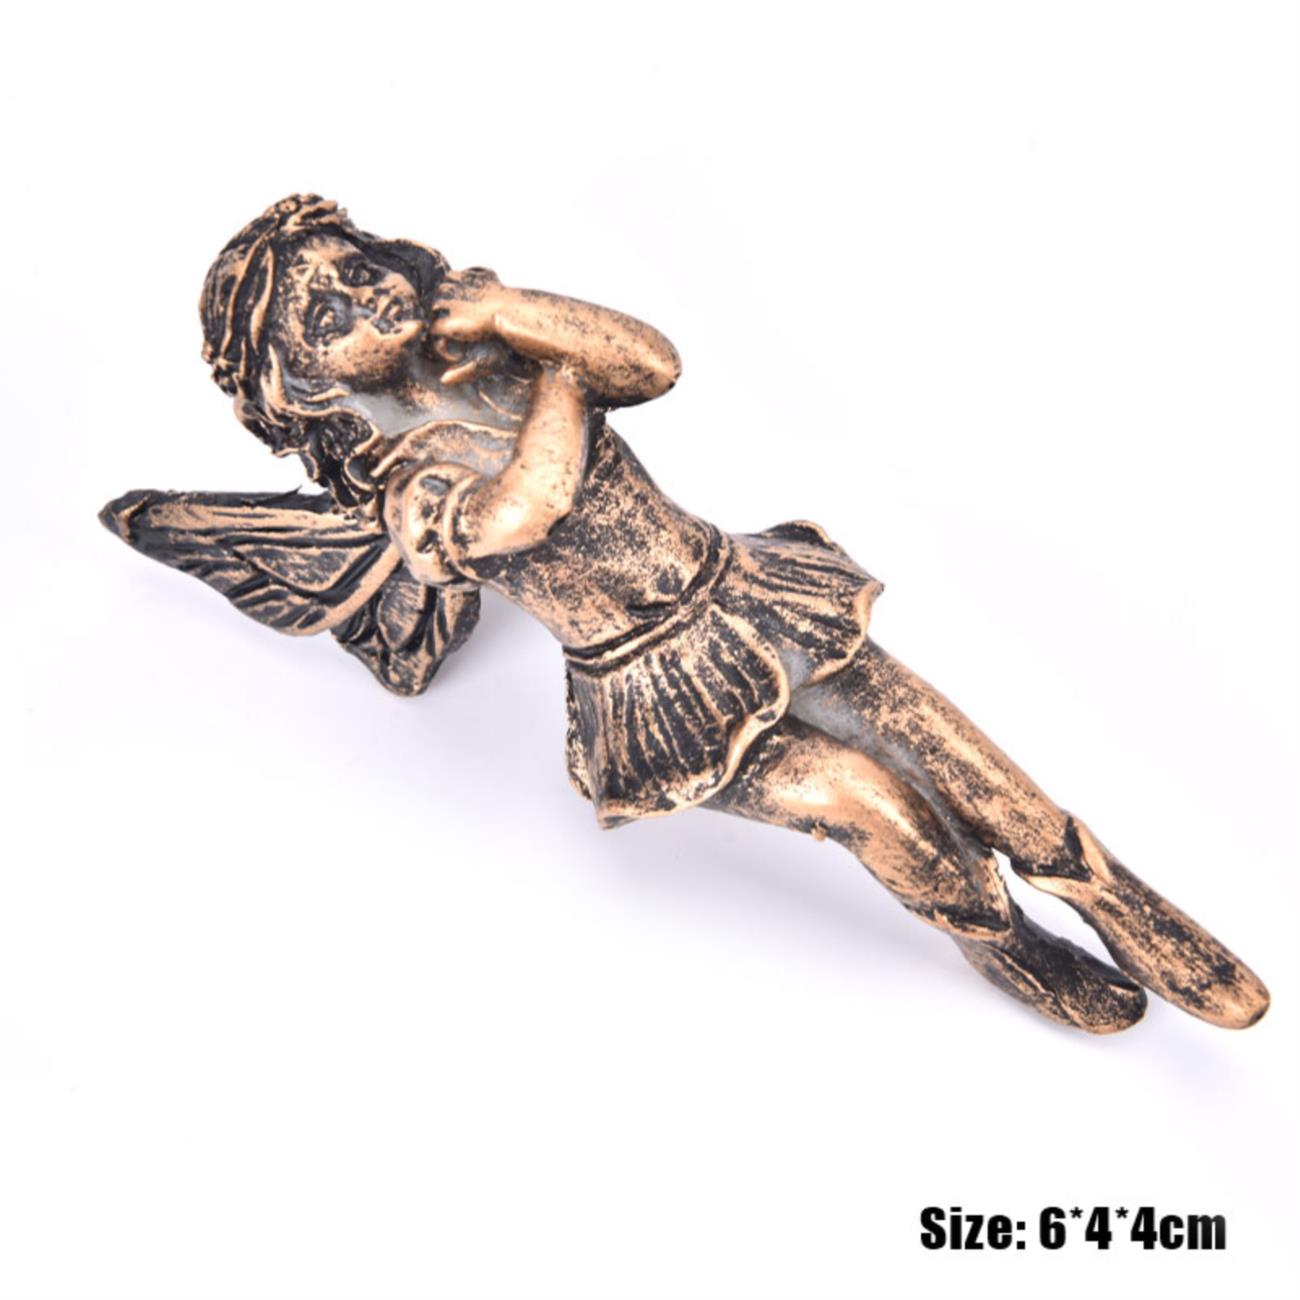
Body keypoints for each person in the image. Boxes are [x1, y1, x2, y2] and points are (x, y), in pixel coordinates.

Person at [102, 195, 1269, 1034]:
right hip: (650, 689)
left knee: (960, 757)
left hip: (746, 592)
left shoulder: (499, 355)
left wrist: (510, 310)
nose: (363, 296)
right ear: (304, 383)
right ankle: (998, 937)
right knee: (869, 805)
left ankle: (1105, 887)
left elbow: (651, 361)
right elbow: (525, 508)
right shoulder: (405, 483)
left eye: (360, 266)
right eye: (324, 315)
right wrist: (561, 371)